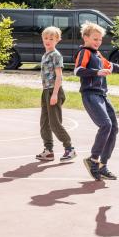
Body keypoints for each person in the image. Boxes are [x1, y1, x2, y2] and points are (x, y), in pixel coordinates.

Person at [75, 22, 119, 181]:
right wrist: (97, 72)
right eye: (95, 39)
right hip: (91, 95)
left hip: (102, 95)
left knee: (114, 128)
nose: (98, 42)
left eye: (100, 39)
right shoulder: (84, 52)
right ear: (86, 38)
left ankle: (102, 165)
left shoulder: (97, 54)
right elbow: (78, 70)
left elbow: (110, 66)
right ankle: (93, 159)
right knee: (106, 125)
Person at [35, 26, 76, 162]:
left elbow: (59, 76)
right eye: (46, 38)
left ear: (57, 40)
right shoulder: (45, 55)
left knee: (54, 123)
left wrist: (55, 94)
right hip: (46, 91)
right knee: (44, 123)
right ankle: (48, 150)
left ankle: (69, 148)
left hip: (54, 91)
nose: (48, 41)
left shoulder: (56, 55)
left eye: (51, 39)